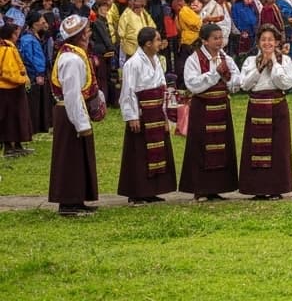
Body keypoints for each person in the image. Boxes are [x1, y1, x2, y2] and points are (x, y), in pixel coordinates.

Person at [48, 15, 104, 216]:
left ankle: (77, 199)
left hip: (73, 112)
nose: (89, 33)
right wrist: (81, 124)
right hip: (70, 114)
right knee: (70, 158)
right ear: (80, 36)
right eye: (87, 31)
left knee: (78, 158)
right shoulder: (71, 60)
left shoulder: (75, 55)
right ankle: (68, 203)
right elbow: (72, 94)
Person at [180, 23, 241, 201]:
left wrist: (230, 79)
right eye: (215, 38)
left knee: (221, 147)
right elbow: (192, 84)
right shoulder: (194, 59)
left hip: (222, 107)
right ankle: (200, 188)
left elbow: (237, 80)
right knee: (201, 147)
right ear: (205, 41)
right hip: (203, 108)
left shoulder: (225, 57)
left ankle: (218, 186)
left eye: (220, 37)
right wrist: (215, 74)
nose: (219, 41)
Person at [117, 27, 177, 204]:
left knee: (158, 150)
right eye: (157, 40)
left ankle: (153, 189)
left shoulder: (157, 60)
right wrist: (132, 116)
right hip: (143, 112)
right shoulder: (132, 64)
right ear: (148, 43)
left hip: (157, 112)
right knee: (140, 152)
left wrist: (167, 113)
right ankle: (137, 192)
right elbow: (128, 91)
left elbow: (162, 86)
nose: (160, 43)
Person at [238, 24, 292, 198]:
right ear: (258, 43)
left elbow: (286, 83)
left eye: (270, 39)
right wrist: (260, 67)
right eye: (263, 40)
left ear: (277, 41)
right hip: (256, 106)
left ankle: (276, 188)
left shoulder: (284, 61)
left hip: (277, 106)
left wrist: (273, 65)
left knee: (277, 147)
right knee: (255, 147)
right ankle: (257, 188)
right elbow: (245, 84)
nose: (267, 43)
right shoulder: (250, 61)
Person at [0, 23, 33, 157]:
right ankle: (9, 147)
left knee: (16, 118)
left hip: (10, 89)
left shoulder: (9, 47)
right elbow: (7, 72)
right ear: (11, 34)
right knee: (11, 118)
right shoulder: (6, 49)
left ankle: (17, 145)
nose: (17, 36)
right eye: (16, 33)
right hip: (9, 89)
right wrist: (22, 79)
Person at [19, 11, 52, 136]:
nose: (43, 22)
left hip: (40, 71)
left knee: (40, 100)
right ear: (34, 23)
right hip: (34, 73)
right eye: (41, 20)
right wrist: (37, 73)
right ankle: (32, 126)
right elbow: (29, 57)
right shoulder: (27, 38)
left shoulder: (36, 36)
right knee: (33, 101)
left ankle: (40, 125)